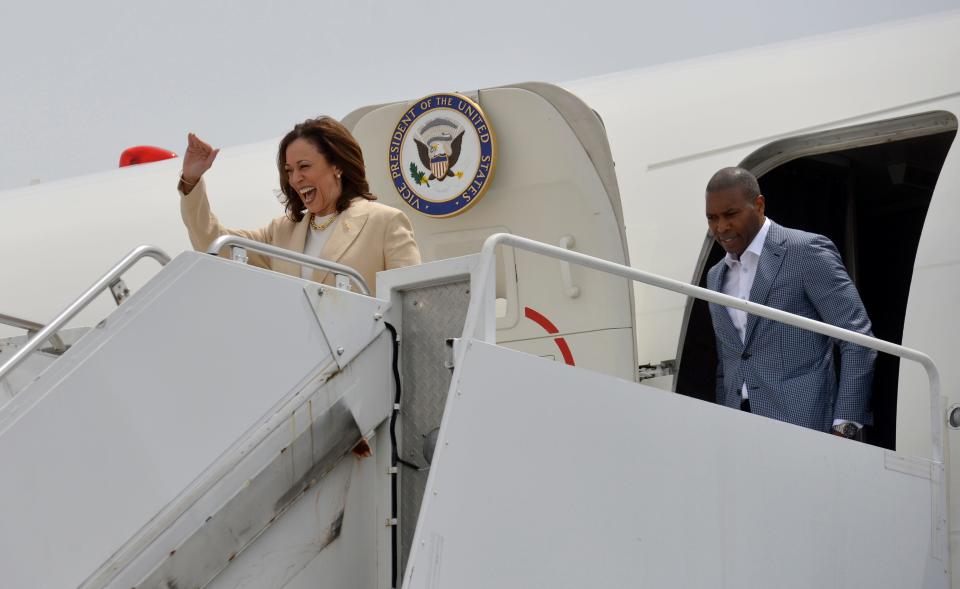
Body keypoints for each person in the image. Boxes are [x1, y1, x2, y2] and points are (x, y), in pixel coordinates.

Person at [704, 167, 875, 439]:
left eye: (731, 215)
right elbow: (729, 360)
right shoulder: (715, 276)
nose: (720, 227)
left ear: (759, 205)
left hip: (804, 426)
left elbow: (858, 340)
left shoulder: (806, 251)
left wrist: (846, 425)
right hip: (737, 428)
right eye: (712, 218)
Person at [178, 116, 421, 296]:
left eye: (304, 167)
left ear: (337, 165)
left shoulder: (385, 222)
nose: (295, 179)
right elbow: (212, 242)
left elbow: (412, 302)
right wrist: (191, 180)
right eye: (289, 171)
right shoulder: (281, 232)